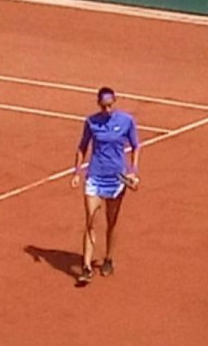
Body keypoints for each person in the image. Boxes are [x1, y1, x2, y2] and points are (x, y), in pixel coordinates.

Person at [70, 87, 140, 285]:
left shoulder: (126, 121)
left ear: (115, 102)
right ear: (98, 104)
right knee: (91, 220)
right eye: (103, 105)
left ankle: (108, 258)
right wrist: (77, 173)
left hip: (117, 179)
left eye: (110, 105)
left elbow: (136, 146)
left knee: (112, 221)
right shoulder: (91, 122)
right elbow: (82, 147)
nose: (107, 109)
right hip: (94, 176)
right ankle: (86, 267)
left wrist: (133, 171)